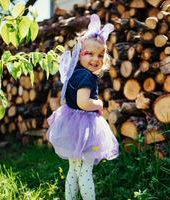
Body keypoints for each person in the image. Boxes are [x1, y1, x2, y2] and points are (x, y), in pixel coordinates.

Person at [47, 14, 119, 200]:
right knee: (85, 170)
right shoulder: (87, 77)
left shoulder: (75, 73)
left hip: (71, 125)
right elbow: (83, 102)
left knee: (74, 168)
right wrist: (99, 104)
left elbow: (66, 100)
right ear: (79, 54)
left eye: (100, 55)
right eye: (90, 54)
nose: (95, 59)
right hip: (85, 128)